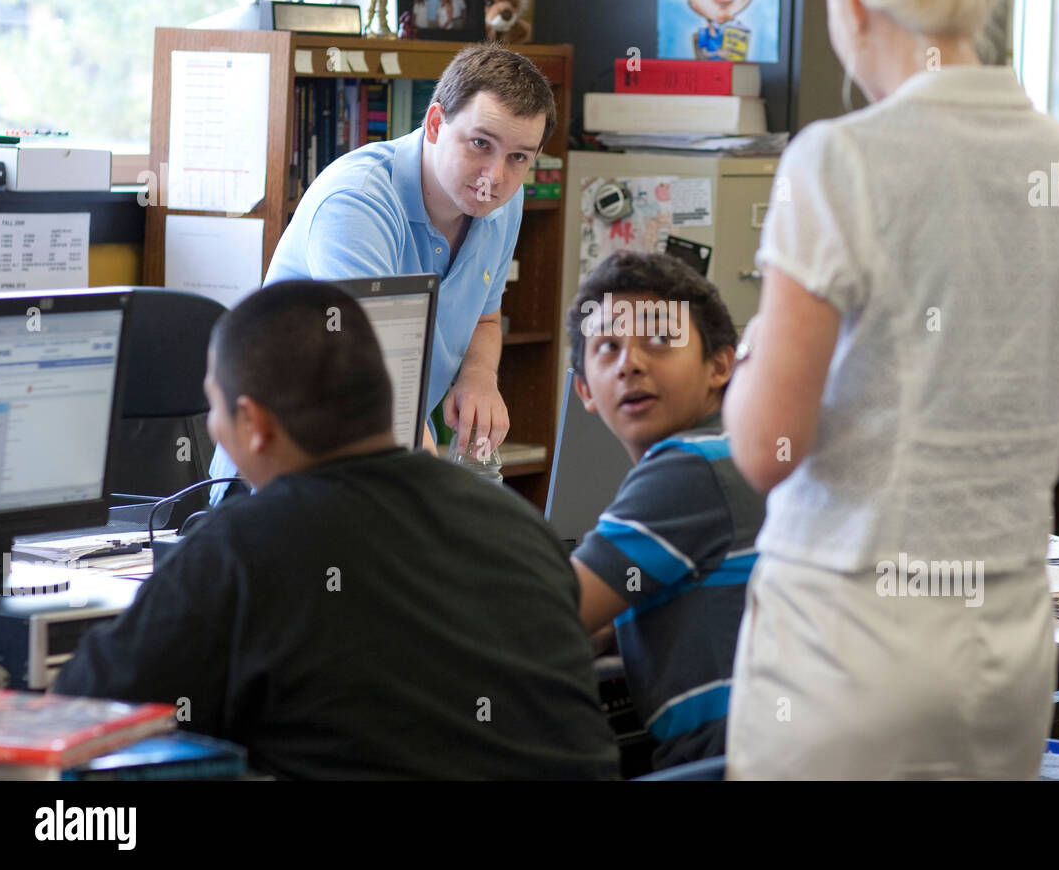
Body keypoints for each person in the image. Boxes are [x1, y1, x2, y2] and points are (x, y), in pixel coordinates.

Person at [722, 0, 1059, 780]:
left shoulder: (838, 162)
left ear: (856, 6)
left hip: (846, 649)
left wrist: (753, 363)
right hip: (1005, 655)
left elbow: (769, 447)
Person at [56, 281, 620, 781]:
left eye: (213, 408)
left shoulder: (245, 546)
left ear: (253, 424)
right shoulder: (515, 521)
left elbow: (87, 711)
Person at [209, 43, 554, 502]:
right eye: (480, 144)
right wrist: (448, 507)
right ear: (435, 124)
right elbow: (377, 381)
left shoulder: (500, 204)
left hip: (383, 468)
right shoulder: (358, 203)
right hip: (281, 478)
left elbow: (485, 319)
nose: (495, 175)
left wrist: (479, 375)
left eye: (518, 158)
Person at [564, 253, 765, 770]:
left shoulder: (693, 467)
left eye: (659, 339)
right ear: (584, 389)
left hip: (732, 759)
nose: (630, 362)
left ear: (721, 364)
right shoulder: (737, 451)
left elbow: (542, 617)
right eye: (607, 347)